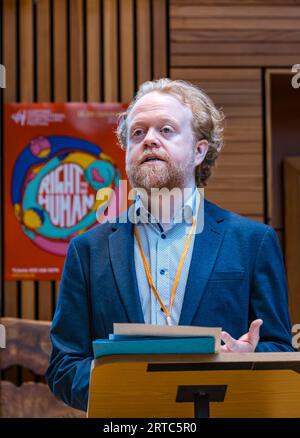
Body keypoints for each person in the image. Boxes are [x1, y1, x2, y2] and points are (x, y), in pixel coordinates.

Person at [46, 79, 294, 411]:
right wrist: (128, 389)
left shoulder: (252, 242)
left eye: (166, 130)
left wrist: (247, 360)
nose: (149, 140)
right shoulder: (87, 250)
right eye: (137, 133)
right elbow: (64, 366)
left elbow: (281, 351)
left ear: (199, 150)